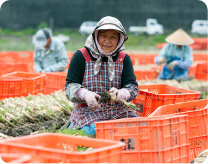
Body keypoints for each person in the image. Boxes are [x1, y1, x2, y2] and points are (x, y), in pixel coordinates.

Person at [65, 16, 139, 136]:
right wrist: (86, 95)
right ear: (96, 36)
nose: (107, 41)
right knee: (96, 133)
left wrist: (120, 93)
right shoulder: (81, 56)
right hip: (88, 112)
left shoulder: (123, 58)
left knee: (136, 129)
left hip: (118, 111)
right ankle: (74, 127)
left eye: (113, 37)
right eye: (104, 35)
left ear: (119, 40)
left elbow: (133, 87)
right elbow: (69, 87)